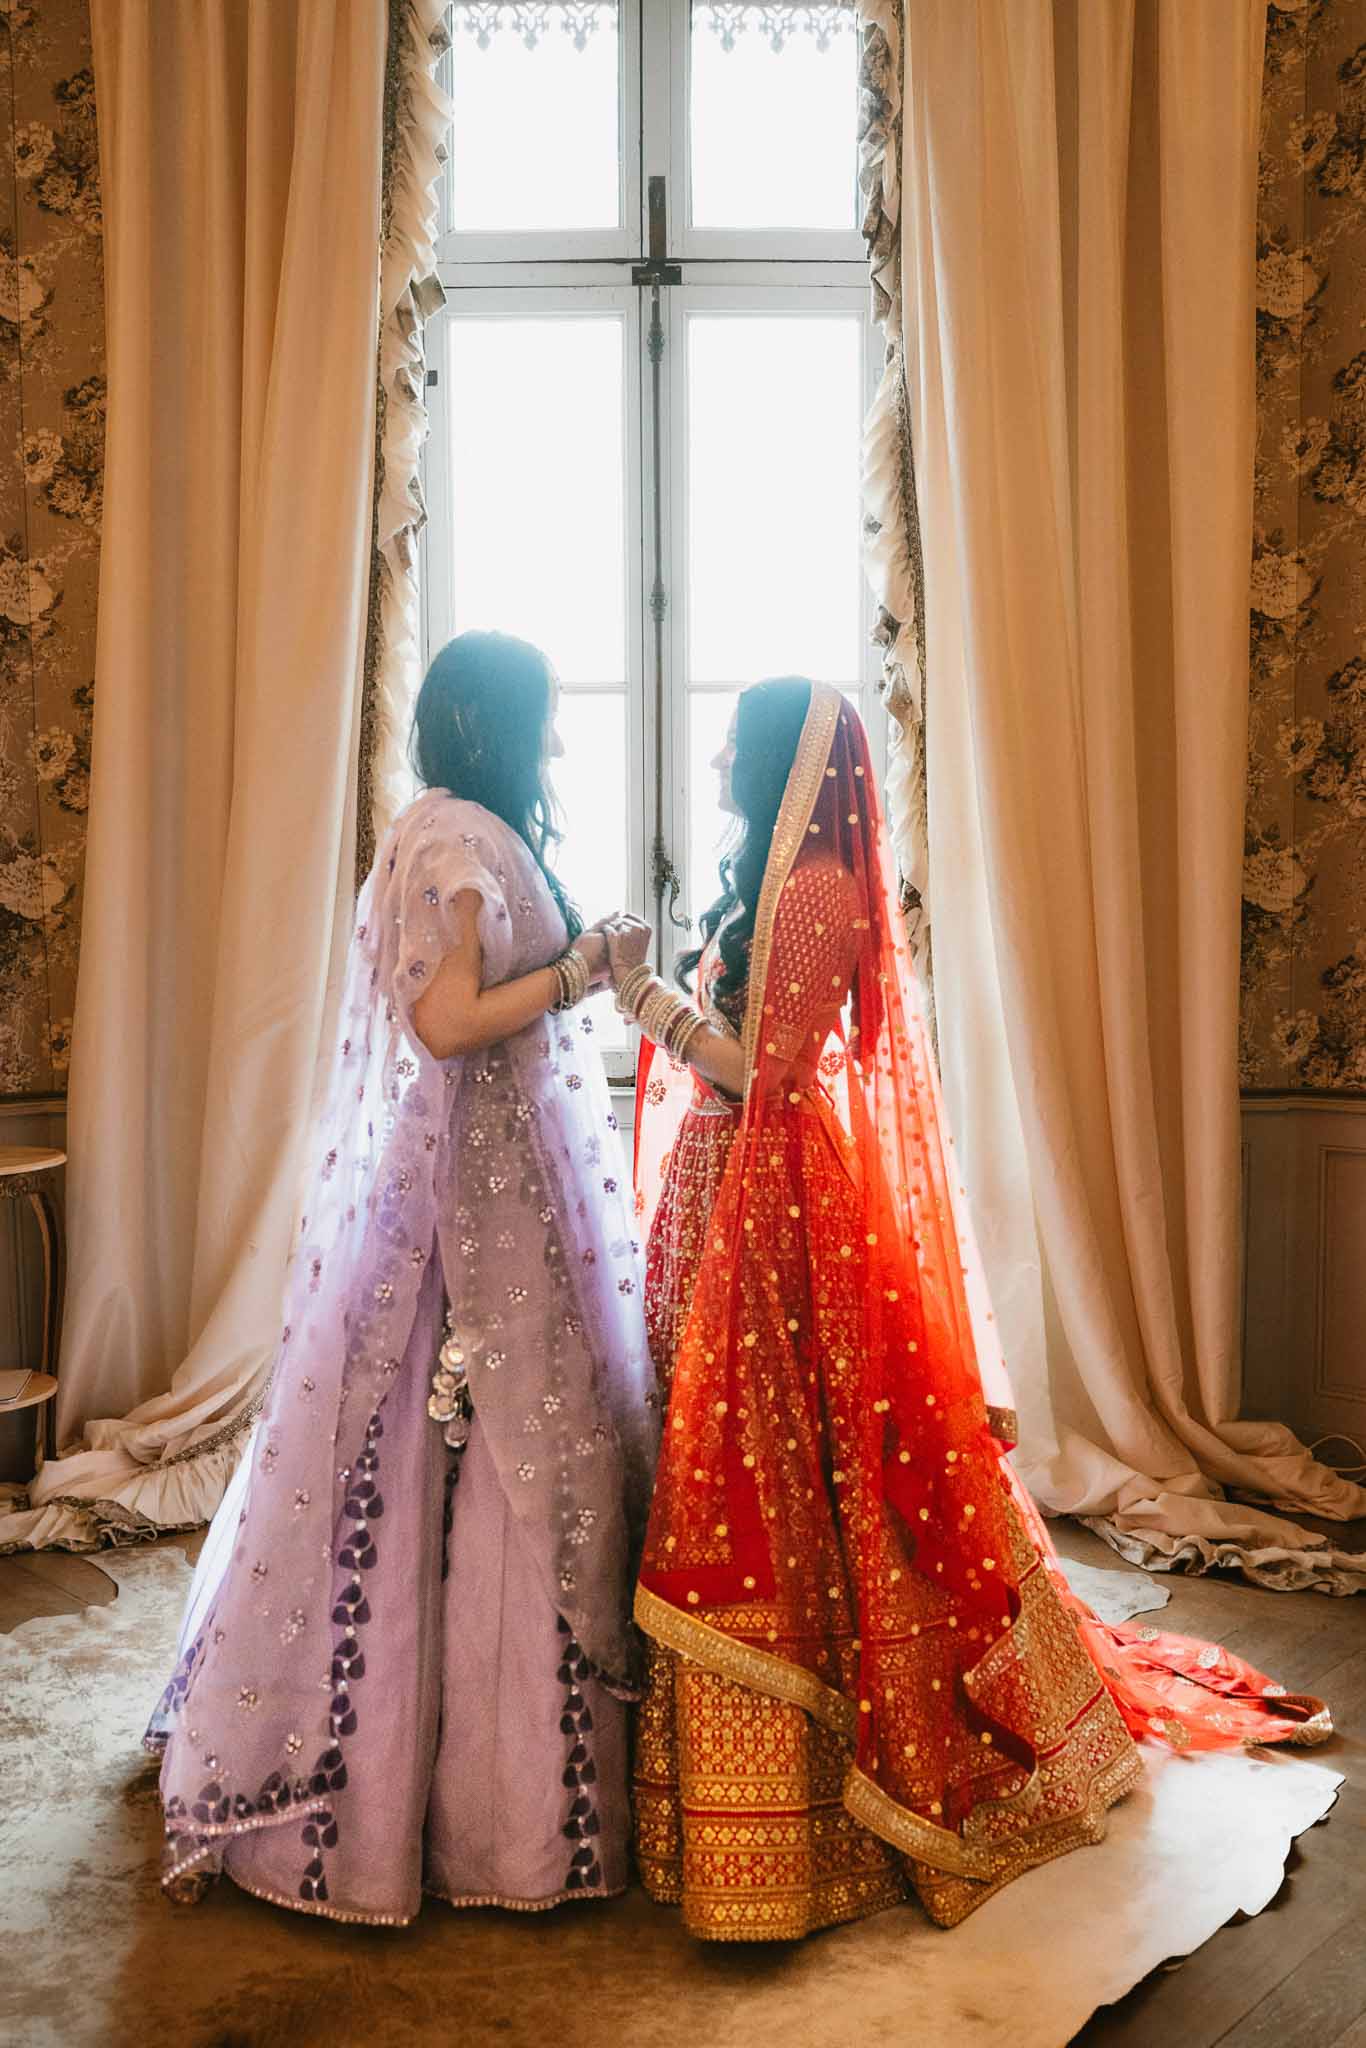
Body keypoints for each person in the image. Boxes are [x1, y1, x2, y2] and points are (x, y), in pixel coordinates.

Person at [611, 676, 1330, 1942]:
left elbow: (762, 1071)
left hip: (778, 1214)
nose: (716, 746)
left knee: (807, 1467)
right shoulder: (766, 880)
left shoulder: (820, 888)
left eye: (735, 734)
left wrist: (642, 1000)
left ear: (781, 757)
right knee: (746, 1461)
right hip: (730, 1192)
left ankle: (830, 1758)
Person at [146, 630, 659, 1924]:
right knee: (482, 1468)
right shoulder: (451, 842)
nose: (555, 739)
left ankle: (473, 1802)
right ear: (496, 721)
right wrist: (583, 970)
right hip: (471, 1217)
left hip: (495, 1194)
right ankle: (469, 1824)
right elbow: (447, 1022)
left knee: (487, 1465)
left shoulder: (451, 825)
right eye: (540, 717)